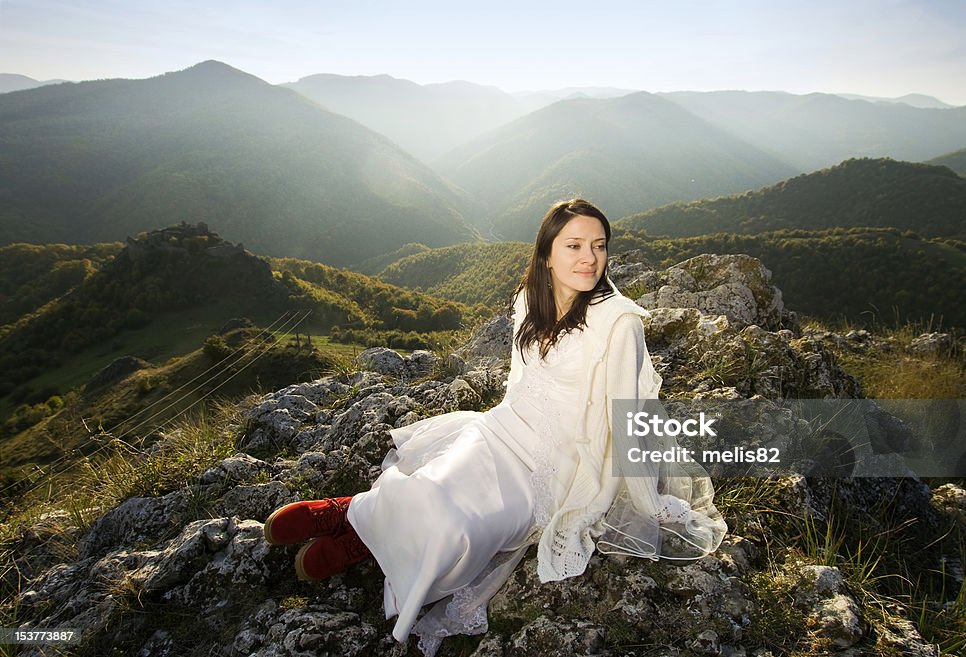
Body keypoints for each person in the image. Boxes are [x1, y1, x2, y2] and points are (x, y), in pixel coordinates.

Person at [263, 199, 727, 655]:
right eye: (574, 246)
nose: (589, 258)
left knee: (459, 528)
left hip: (555, 468)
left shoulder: (619, 323)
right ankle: (350, 512)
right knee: (433, 483)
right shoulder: (531, 296)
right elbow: (520, 378)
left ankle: (362, 538)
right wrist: (486, 430)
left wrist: (651, 503)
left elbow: (628, 421)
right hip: (502, 430)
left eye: (599, 245)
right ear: (547, 254)